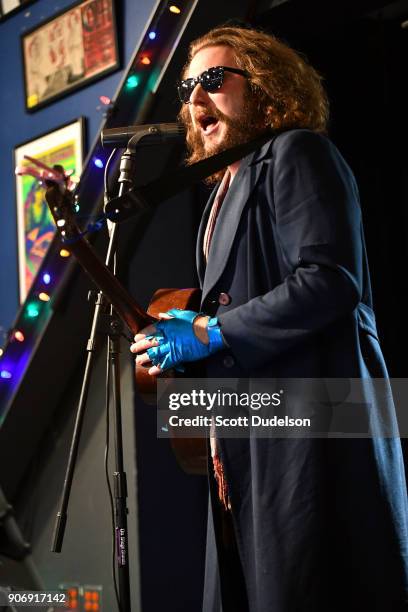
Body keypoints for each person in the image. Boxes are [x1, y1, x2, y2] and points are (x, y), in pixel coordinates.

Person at [131, 25, 408, 612]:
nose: (195, 100)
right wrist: (179, 352)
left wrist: (205, 333)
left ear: (263, 85)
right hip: (248, 439)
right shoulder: (222, 191)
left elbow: (330, 280)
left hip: (316, 429)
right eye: (187, 88)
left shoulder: (297, 150)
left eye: (212, 80)